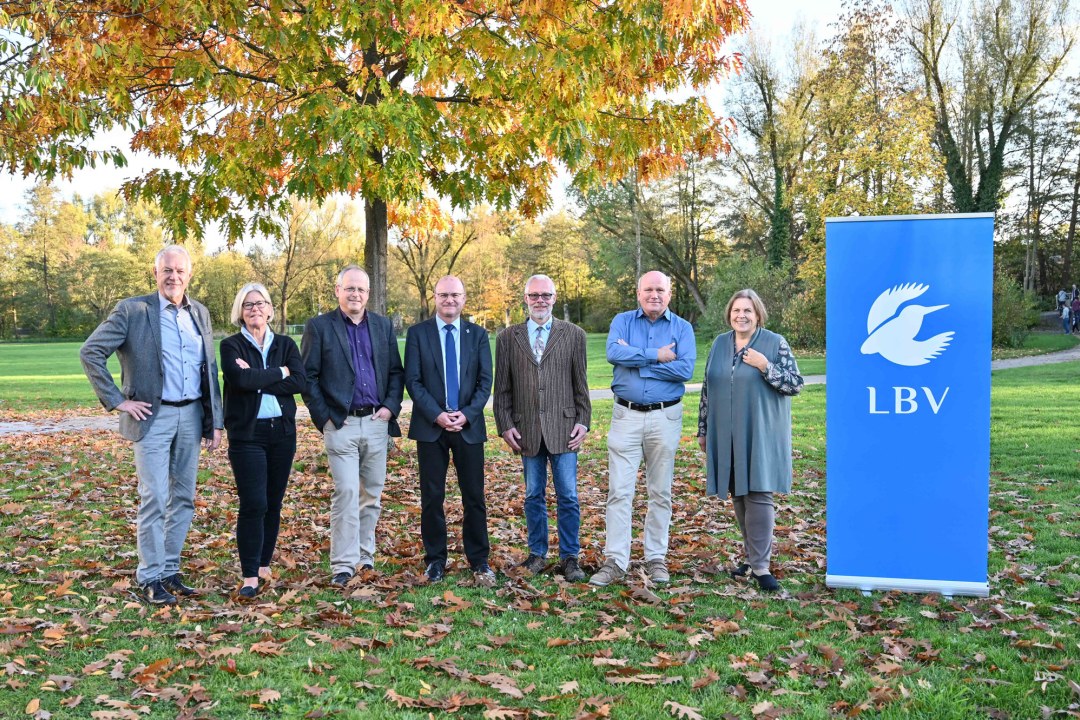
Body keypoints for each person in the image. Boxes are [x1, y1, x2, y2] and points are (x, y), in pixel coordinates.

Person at [80, 245, 223, 605]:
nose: (173, 276)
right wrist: (118, 400)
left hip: (191, 415)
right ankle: (150, 575)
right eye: (167, 270)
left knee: (184, 498)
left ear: (189, 274)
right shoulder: (133, 310)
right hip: (152, 417)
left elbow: (210, 369)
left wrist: (215, 420)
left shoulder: (200, 313)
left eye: (180, 270)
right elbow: (91, 351)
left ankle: (170, 570)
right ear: (155, 273)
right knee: (155, 496)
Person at [589, 270, 695, 587]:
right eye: (648, 289)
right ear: (638, 293)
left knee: (660, 492)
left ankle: (656, 558)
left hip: (665, 417)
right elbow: (613, 353)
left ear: (669, 294)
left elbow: (685, 369)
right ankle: (616, 560)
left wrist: (637, 365)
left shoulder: (682, 328)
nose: (654, 295)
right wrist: (656, 356)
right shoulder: (622, 322)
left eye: (660, 290)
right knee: (619, 492)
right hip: (627, 416)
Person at [301, 265, 405, 587]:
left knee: (370, 495)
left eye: (361, 289)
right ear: (338, 290)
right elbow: (308, 377)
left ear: (368, 294)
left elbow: (395, 373)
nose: (355, 294)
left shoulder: (383, 326)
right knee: (346, 492)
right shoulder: (319, 327)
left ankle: (365, 558)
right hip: (341, 424)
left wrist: (390, 408)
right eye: (349, 288)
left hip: (376, 422)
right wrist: (326, 418)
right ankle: (343, 565)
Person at [697, 289, 803, 593]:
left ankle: (761, 567)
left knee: (758, 493)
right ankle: (752, 556)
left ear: (758, 315)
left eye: (747, 311)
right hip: (725, 430)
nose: (741, 316)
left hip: (760, 430)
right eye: (736, 310)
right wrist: (703, 428)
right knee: (738, 493)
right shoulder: (720, 343)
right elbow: (708, 388)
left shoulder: (774, 342)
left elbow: (795, 384)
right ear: (729, 313)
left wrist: (764, 366)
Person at [493, 275, 591, 582]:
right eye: (534, 295)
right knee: (533, 495)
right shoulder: (509, 337)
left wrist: (583, 421)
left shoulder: (574, 334)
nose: (540, 300)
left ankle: (570, 557)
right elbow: (502, 389)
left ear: (554, 298)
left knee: (568, 495)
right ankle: (536, 554)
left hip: (564, 428)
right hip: (527, 431)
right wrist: (505, 425)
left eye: (545, 295)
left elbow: (581, 385)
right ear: (525, 299)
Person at [404, 276, 495, 586]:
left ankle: (480, 561)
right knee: (432, 497)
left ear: (464, 298)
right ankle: (435, 562)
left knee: (474, 496)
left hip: (468, 427)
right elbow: (413, 381)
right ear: (435, 297)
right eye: (444, 295)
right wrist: (439, 415)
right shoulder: (418, 334)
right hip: (431, 428)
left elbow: (485, 383)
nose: (449, 300)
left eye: (455, 295)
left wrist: (465, 415)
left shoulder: (478, 335)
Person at [220, 283, 306, 599]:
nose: (255, 309)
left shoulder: (285, 343)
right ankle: (250, 575)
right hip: (247, 435)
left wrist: (262, 378)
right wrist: (279, 373)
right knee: (254, 503)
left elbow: (299, 380)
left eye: (261, 303)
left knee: (273, 501)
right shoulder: (231, 346)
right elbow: (240, 380)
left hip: (282, 433)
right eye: (248, 305)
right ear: (240, 313)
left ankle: (264, 562)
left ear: (271, 309)